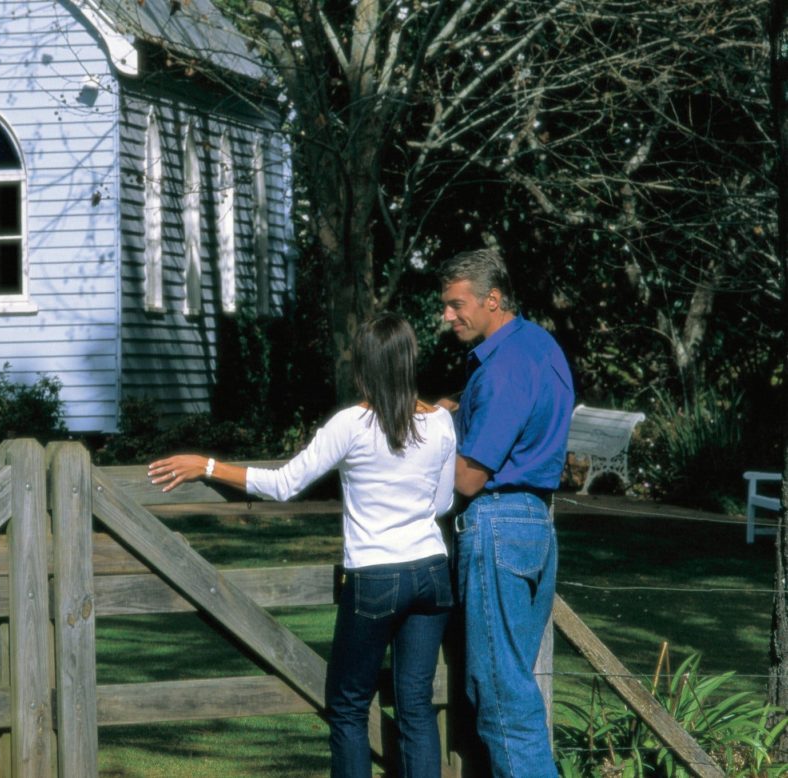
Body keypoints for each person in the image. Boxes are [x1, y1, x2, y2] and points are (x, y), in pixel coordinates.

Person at [148, 314, 457, 778]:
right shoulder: (441, 425)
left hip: (375, 577)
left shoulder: (351, 425)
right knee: (416, 706)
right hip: (432, 572)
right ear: (410, 361)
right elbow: (442, 502)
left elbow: (284, 483)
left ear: (365, 369)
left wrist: (208, 465)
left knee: (350, 707)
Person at [437, 248, 574, 777]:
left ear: (492, 299)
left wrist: (423, 452)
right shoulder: (539, 347)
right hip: (536, 523)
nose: (448, 316)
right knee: (513, 686)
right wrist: (459, 407)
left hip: (497, 523)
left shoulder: (502, 369)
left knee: (501, 699)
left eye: (456, 305)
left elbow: (469, 476)